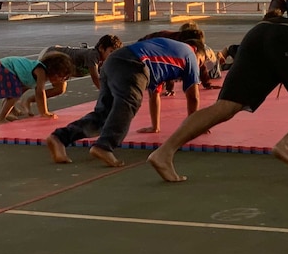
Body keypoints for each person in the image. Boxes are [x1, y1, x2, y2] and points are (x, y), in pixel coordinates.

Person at [148, 16, 288, 182]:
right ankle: (287, 145)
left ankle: (164, 152)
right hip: (287, 39)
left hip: (258, 34)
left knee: (226, 106)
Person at [46, 36, 207, 167]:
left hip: (112, 61)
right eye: (202, 61)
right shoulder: (190, 54)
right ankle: (104, 146)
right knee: (127, 104)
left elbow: (154, 95)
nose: (200, 66)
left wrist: (155, 126)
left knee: (105, 113)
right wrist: (193, 126)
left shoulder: (166, 52)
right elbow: (193, 96)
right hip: (132, 64)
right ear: (198, 52)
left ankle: (60, 138)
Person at [16, 35, 123, 116]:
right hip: (52, 55)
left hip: (60, 61)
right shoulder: (93, 55)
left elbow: (107, 77)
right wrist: (108, 95)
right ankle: (14, 100)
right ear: (101, 48)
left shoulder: (103, 60)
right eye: (111, 52)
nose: (112, 55)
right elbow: (95, 78)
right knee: (35, 81)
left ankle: (28, 100)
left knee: (59, 89)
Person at [0, 52, 75, 125]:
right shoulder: (41, 71)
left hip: (7, 67)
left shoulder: (39, 74)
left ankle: (10, 111)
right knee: (13, 95)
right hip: (5, 67)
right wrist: (44, 112)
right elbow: (40, 93)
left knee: (16, 92)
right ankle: (0, 118)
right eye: (60, 76)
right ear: (52, 70)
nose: (60, 80)